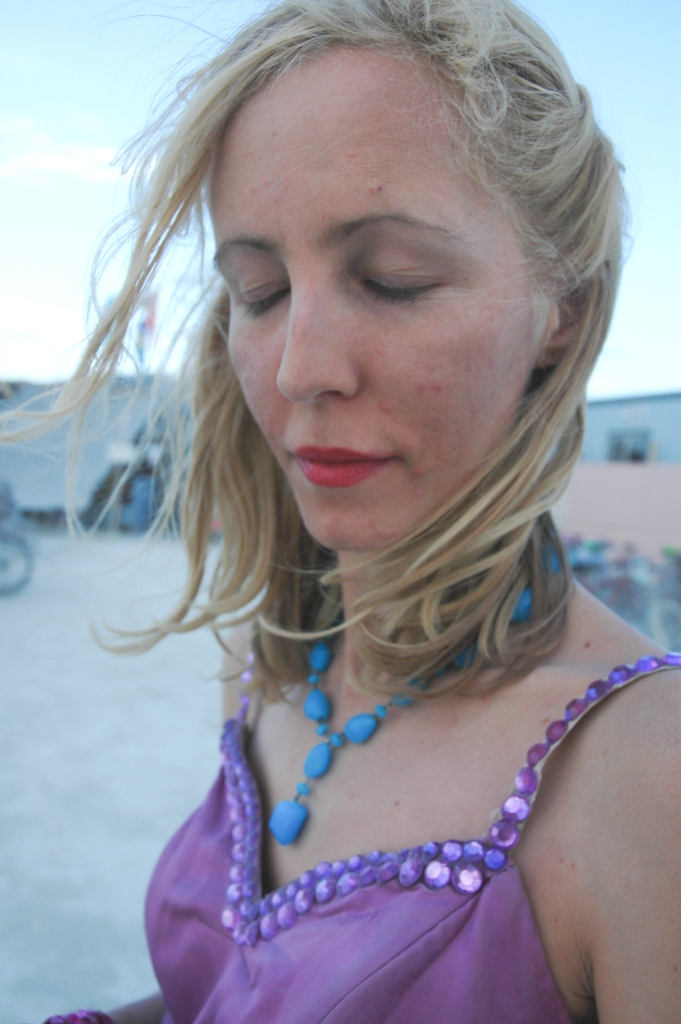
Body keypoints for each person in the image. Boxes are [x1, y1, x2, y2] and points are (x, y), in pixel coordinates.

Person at [35, 0, 681, 1021]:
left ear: (564, 312)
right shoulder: (276, 656)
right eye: (258, 290)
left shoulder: (650, 774)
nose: (301, 370)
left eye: (393, 279)